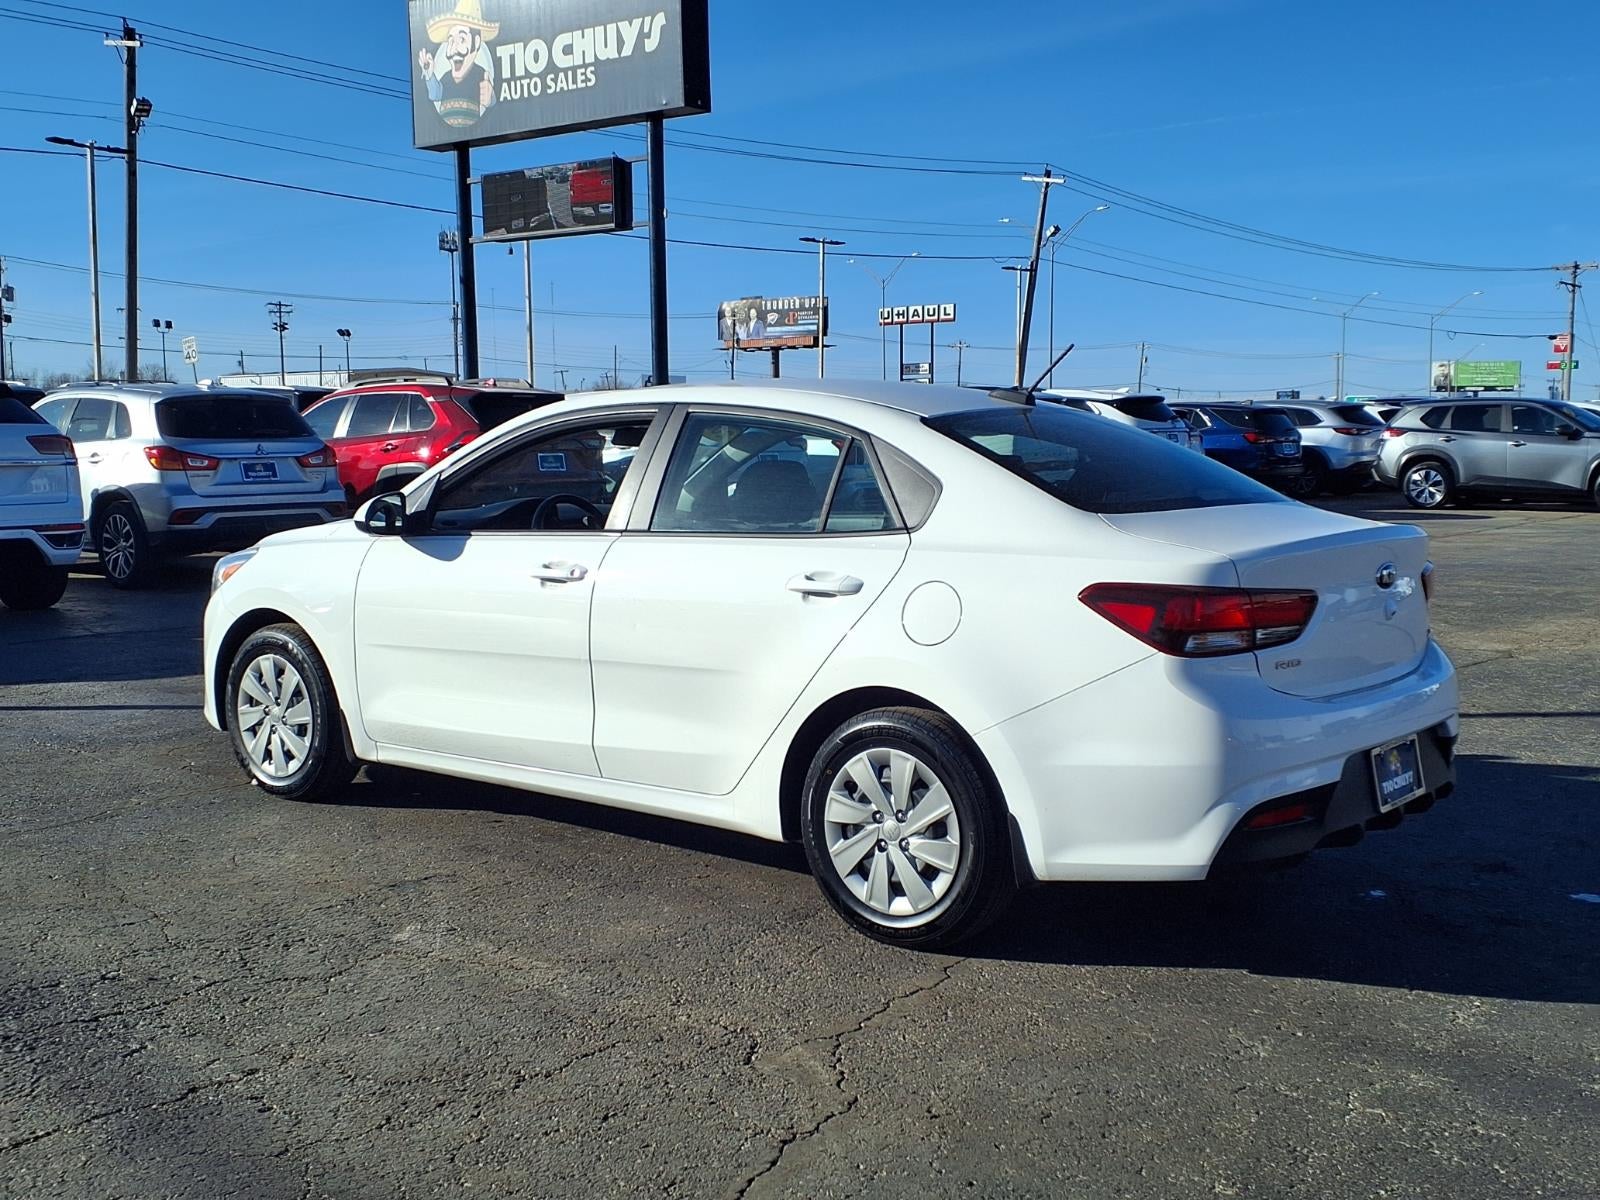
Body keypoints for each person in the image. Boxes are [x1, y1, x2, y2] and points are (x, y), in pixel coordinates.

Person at [419, 0, 498, 130]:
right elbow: (434, 95)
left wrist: (490, 99)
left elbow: (490, 99)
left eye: (461, 39)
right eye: (450, 40)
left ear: (477, 42)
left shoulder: (480, 75)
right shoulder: (446, 77)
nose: (454, 49)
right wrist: (429, 75)